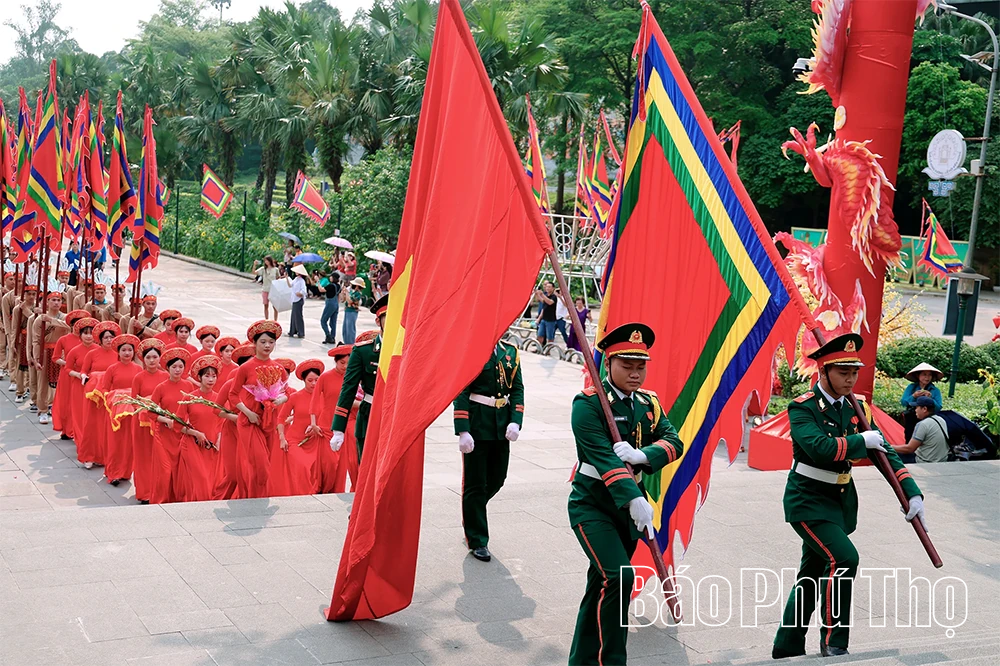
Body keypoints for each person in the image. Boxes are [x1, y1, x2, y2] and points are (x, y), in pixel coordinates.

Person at [773, 333, 927, 659]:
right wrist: (861, 442)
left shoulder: (859, 408)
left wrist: (912, 494)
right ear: (823, 372)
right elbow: (819, 448)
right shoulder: (802, 407)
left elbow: (886, 456)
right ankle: (834, 641)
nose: (850, 378)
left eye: (854, 371)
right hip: (808, 500)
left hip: (840, 503)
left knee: (811, 575)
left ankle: (786, 644)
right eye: (843, 372)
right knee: (844, 559)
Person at [567, 323, 683, 666]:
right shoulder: (588, 404)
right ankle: (612, 660)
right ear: (609, 364)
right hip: (593, 505)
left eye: (641, 366)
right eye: (626, 365)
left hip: (629, 513)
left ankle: (582, 660)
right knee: (619, 576)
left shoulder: (650, 403)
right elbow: (601, 456)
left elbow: (673, 441)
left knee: (601, 585)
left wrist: (643, 455)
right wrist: (634, 496)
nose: (635, 373)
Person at [453, 338, 525, 562]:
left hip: (501, 424)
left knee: (497, 478)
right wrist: (463, 430)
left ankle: (472, 512)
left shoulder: (510, 351)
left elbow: (518, 388)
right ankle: (477, 539)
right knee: (475, 483)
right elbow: (461, 390)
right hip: (477, 422)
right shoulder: (472, 348)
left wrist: (516, 420)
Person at [229, 320, 288, 498]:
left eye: (271, 342)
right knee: (260, 464)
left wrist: (278, 401)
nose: (267, 345)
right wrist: (248, 413)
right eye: (262, 342)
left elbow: (288, 393)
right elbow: (233, 395)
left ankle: (256, 499)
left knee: (263, 466)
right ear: (254, 344)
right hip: (249, 422)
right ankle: (256, 499)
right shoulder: (245, 368)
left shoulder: (278, 368)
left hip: (268, 422)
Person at [331, 295, 387, 464]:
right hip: (370, 414)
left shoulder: (406, 348)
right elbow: (348, 388)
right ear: (378, 322)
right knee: (369, 468)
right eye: (388, 317)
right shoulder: (364, 351)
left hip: (397, 417)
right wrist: (338, 428)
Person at [272, 359, 325, 496]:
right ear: (304, 380)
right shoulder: (295, 397)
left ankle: (315, 493)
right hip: (295, 441)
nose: (314, 383)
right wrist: (282, 439)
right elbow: (281, 418)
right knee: (303, 466)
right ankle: (305, 496)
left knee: (317, 467)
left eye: (316, 380)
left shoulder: (324, 396)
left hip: (316, 440)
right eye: (310, 380)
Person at [176, 355, 224, 501]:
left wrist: (219, 439)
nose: (211, 379)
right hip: (192, 444)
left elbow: (223, 423)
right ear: (199, 378)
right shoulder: (189, 398)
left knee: (211, 481)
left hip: (212, 445)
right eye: (207, 376)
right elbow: (177, 424)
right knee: (201, 478)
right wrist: (196, 433)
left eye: (214, 376)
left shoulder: (219, 398)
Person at [150, 348, 195, 503]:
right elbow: (150, 412)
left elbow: (192, 407)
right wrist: (166, 420)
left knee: (179, 469)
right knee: (165, 470)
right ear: (167, 368)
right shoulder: (161, 387)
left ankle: (177, 499)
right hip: (163, 434)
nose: (177, 370)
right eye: (174, 367)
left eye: (180, 367)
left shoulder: (189, 386)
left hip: (181, 433)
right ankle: (160, 500)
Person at [97, 334, 142, 486]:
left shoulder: (138, 369)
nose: (127, 353)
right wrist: (113, 396)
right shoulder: (112, 368)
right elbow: (104, 388)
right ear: (118, 352)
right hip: (114, 412)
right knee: (115, 443)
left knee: (129, 443)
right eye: (124, 350)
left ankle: (125, 471)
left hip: (131, 412)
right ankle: (113, 473)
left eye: (130, 350)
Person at [311, 344, 357, 493]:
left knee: (343, 464)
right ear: (335, 361)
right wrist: (313, 423)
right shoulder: (325, 377)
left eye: (348, 364)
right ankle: (323, 490)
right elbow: (314, 399)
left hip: (344, 424)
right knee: (329, 464)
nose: (345, 367)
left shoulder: (353, 378)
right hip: (326, 425)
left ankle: (338, 491)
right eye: (341, 363)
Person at [213, 343, 255, 501]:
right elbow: (216, 409)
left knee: (249, 471)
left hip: (251, 432)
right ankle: (221, 498)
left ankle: (245, 501)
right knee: (233, 474)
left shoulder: (258, 386)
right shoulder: (230, 385)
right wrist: (235, 417)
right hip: (232, 432)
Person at [79, 321, 122, 468]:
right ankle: (88, 456)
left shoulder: (118, 354)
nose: (109, 340)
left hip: (109, 393)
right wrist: (84, 377)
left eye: (111, 337)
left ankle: (104, 456)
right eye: (106, 338)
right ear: (101, 339)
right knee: (91, 425)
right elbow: (84, 370)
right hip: (94, 393)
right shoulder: (92, 353)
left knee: (107, 426)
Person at [130, 339, 168, 504]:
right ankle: (144, 492)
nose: (152, 360)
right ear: (143, 359)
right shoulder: (138, 377)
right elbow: (133, 401)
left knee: (160, 458)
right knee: (144, 456)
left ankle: (161, 490)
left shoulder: (166, 376)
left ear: (160, 358)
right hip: (142, 424)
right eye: (148, 358)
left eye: (155, 357)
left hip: (162, 422)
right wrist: (147, 404)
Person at [31, 292, 69, 425]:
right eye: (53, 300)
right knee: (43, 382)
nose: (56, 303)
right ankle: (42, 410)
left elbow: (69, 327)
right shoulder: (39, 319)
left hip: (60, 352)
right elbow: (35, 340)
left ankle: (57, 407)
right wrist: (36, 358)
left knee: (61, 382)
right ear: (47, 302)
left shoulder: (64, 317)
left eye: (59, 300)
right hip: (45, 351)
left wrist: (52, 321)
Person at [51, 310, 89, 439]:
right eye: (75, 323)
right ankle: (67, 429)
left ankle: (80, 430)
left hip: (84, 374)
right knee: (66, 402)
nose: (77, 326)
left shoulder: (89, 339)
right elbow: (55, 357)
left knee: (80, 403)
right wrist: (68, 362)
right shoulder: (64, 339)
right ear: (71, 325)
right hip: (67, 374)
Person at [64, 317, 99, 459]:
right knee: (79, 416)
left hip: (96, 389)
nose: (89, 336)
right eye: (86, 333)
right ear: (80, 335)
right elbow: (67, 369)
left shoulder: (99, 350)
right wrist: (79, 375)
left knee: (93, 417)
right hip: (79, 386)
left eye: (91, 333)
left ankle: (93, 444)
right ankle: (81, 442)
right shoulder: (74, 351)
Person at [893, 396, 950, 463]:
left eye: (917, 407)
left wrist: (891, 447)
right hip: (942, 460)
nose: (915, 410)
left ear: (924, 409)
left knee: (892, 456)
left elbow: (909, 449)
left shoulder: (923, 424)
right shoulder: (941, 420)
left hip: (925, 462)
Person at [900, 363, 944, 442]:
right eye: (924, 374)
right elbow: (903, 402)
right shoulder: (911, 387)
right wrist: (913, 396)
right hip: (912, 418)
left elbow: (938, 407)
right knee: (910, 439)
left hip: (928, 419)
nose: (927, 377)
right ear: (918, 375)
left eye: (929, 375)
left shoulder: (935, 390)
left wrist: (930, 399)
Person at [252, 256, 281, 321]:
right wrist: (254, 265)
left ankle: (275, 320)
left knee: (275, 306)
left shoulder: (275, 269)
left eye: (267, 261)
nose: (266, 262)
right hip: (265, 289)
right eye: (265, 261)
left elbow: (278, 277)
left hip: (273, 289)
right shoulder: (263, 269)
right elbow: (254, 272)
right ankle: (266, 319)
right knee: (266, 305)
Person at [534, 281, 557, 348]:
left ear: (553, 288)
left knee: (550, 336)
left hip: (551, 320)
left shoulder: (554, 297)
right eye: (547, 287)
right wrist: (537, 294)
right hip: (544, 319)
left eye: (549, 287)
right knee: (540, 334)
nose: (547, 288)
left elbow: (549, 302)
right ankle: (539, 348)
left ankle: (548, 350)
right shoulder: (546, 296)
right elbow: (543, 303)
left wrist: (542, 295)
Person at [320, 271, 341, 344]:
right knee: (333, 322)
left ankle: (328, 335)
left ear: (334, 278)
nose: (330, 277)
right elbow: (339, 296)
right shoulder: (338, 286)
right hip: (336, 304)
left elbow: (321, 290)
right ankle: (332, 337)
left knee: (323, 320)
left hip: (330, 304)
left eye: (331, 276)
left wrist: (318, 282)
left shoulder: (331, 286)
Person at [287, 265, 308, 338]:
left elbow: (304, 290)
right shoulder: (296, 279)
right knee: (293, 315)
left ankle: (301, 332)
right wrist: (286, 278)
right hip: (294, 299)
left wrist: (300, 293)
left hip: (298, 299)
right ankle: (293, 330)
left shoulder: (302, 281)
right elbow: (290, 285)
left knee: (298, 316)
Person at [342, 277, 364, 343]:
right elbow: (343, 300)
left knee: (350, 329)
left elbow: (350, 301)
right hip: (347, 310)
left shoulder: (358, 294)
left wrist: (347, 293)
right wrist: (343, 293)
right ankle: (346, 343)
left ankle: (350, 344)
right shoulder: (352, 292)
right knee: (345, 329)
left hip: (352, 312)